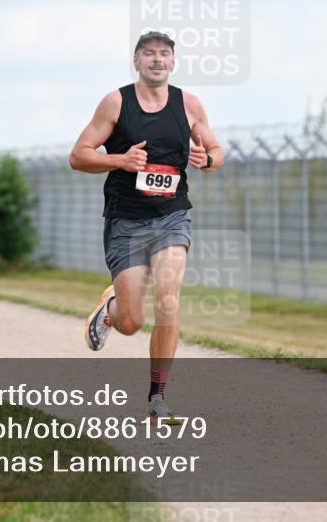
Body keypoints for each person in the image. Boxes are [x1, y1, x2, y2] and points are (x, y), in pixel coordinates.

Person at [69, 30, 224, 423]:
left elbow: (217, 153)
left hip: (173, 215)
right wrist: (119, 161)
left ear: (173, 62)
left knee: (169, 299)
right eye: (149, 54)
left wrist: (206, 160)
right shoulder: (116, 102)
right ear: (136, 61)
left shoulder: (188, 104)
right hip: (127, 220)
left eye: (164, 54)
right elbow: (79, 155)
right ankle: (111, 310)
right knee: (132, 321)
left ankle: (158, 396)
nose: (157, 60)